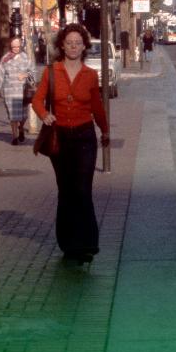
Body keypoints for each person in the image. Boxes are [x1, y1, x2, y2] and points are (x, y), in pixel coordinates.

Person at [31, 23, 109, 266]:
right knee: (66, 191)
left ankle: (87, 243)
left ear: (84, 46)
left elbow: (96, 107)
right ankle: (68, 244)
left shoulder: (90, 75)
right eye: (69, 42)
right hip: (61, 138)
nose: (73, 46)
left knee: (82, 190)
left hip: (85, 137)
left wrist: (105, 130)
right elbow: (36, 100)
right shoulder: (51, 72)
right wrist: (45, 114)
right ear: (61, 46)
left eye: (78, 42)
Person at [0, 35, 35, 144]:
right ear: (11, 46)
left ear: (21, 45)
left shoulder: (25, 58)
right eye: (13, 47)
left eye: (18, 46)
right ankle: (14, 136)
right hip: (10, 91)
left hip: (22, 92)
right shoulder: (5, 59)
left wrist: (25, 75)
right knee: (13, 116)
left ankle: (21, 128)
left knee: (23, 116)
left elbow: (33, 73)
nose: (16, 49)